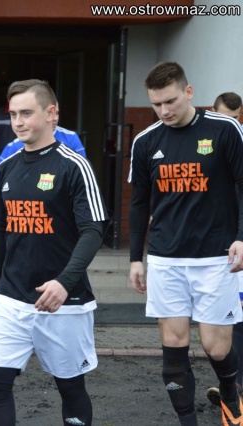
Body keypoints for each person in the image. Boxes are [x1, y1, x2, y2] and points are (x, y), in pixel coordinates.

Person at [0, 79, 107, 425]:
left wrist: (64, 282)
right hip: (11, 298)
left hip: (63, 301)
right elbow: (2, 231)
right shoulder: (7, 167)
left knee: (71, 388)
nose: (18, 122)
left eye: (26, 113)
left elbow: (94, 230)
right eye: (13, 114)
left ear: (52, 114)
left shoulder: (74, 166)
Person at [128, 62, 243, 426]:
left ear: (189, 92)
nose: (164, 111)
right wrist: (136, 258)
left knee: (216, 347)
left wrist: (242, 237)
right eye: (156, 104)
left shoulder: (225, 129)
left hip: (217, 258)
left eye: (171, 101)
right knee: (173, 348)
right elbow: (138, 203)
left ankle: (231, 395)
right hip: (166, 259)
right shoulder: (146, 141)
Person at [206, 90, 243, 408]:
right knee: (233, 316)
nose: (232, 124)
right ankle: (234, 384)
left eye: (237, 118)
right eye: (225, 118)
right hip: (220, 245)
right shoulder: (204, 150)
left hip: (239, 239)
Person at [0, 101, 87, 161]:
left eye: (57, 113)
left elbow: (82, 171)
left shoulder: (71, 137)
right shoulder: (13, 146)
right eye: (50, 113)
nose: (55, 118)